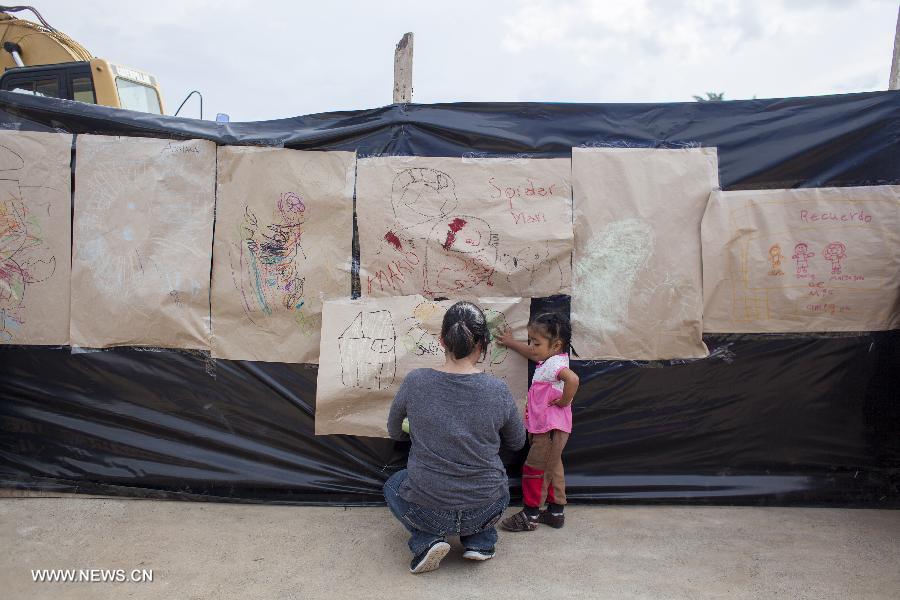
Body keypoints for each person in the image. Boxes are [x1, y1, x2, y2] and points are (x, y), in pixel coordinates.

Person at [384, 300, 526, 574]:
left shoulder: (415, 381)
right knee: (496, 484)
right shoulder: (498, 390)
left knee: (393, 485)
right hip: (487, 507)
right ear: (483, 344)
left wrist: (420, 428)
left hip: (428, 509)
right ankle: (480, 540)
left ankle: (427, 540)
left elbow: (393, 431)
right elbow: (517, 443)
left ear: (441, 340)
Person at [496, 312, 579, 531]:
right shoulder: (552, 359)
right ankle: (555, 512)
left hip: (549, 429)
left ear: (556, 345)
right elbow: (534, 355)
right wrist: (512, 343)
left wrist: (563, 401)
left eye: (536, 342)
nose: (531, 346)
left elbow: (573, 379)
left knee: (536, 469)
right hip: (551, 429)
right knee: (553, 468)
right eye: (530, 341)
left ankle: (530, 515)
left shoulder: (554, 366)